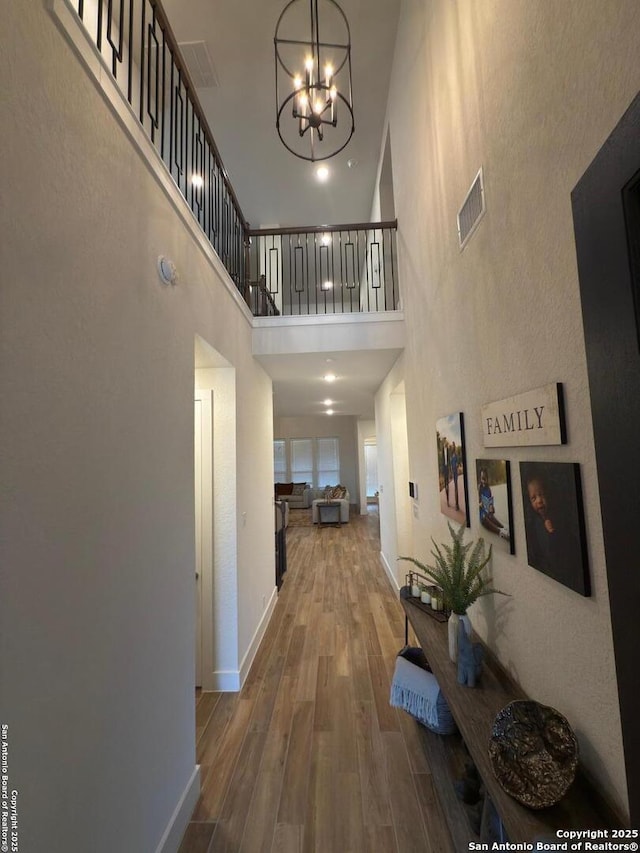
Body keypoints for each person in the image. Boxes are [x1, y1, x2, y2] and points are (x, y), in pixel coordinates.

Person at [478, 467, 510, 540]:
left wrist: (491, 507)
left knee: (491, 516)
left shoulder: (488, 489)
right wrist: (480, 504)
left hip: (487, 512)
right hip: (481, 514)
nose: (483, 480)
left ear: (487, 478)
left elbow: (490, 502)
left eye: (485, 478)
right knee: (485, 518)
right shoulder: (479, 488)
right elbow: (476, 502)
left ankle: (503, 527)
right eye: (482, 478)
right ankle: (501, 532)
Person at [450, 443, 460, 511]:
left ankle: (457, 505)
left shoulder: (456, 456)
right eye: (452, 446)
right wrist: (451, 472)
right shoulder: (451, 456)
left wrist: (456, 467)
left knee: (456, 488)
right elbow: (451, 465)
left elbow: (457, 464)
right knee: (455, 488)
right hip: (453, 473)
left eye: (453, 446)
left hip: (455, 473)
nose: (452, 447)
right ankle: (456, 504)